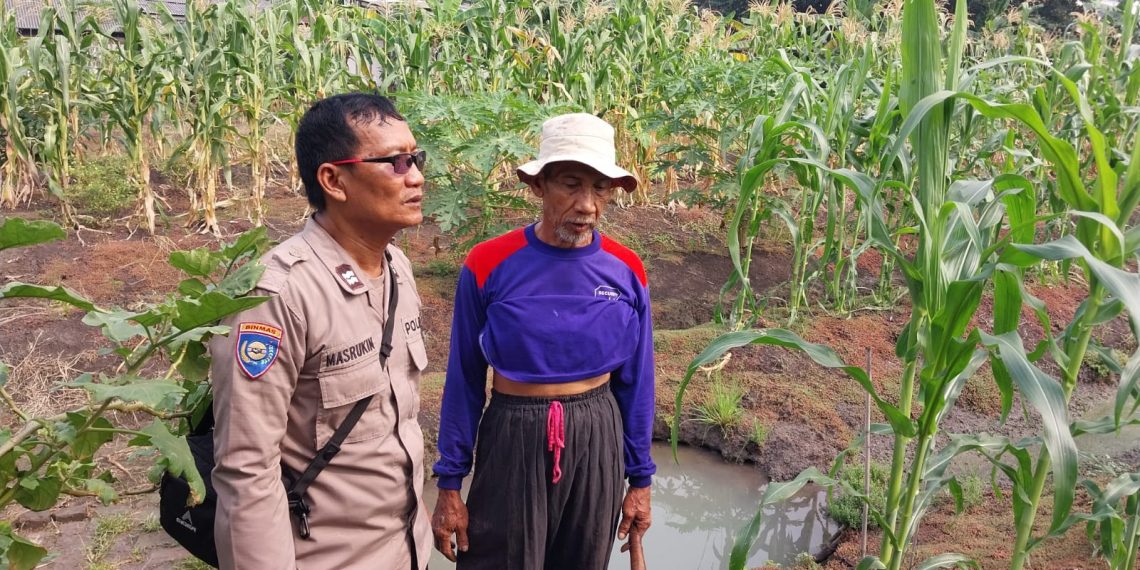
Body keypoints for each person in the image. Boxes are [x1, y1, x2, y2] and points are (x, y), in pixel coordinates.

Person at [209, 93, 431, 569]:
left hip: (407, 550)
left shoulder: (397, 268)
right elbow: (247, 471)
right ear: (333, 180)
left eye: (416, 159)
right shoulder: (277, 297)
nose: (415, 177)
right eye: (395, 163)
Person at [431, 113, 655, 570]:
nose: (587, 205)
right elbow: (465, 379)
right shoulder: (487, 264)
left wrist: (641, 480)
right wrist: (450, 483)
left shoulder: (626, 269)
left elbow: (637, 382)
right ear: (538, 185)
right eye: (571, 185)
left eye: (601, 189)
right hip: (514, 432)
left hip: (597, 431)